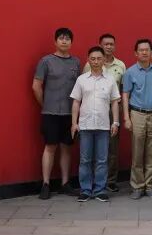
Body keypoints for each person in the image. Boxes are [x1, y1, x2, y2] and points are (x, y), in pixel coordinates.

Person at [32, 27, 81, 199]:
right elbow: (36, 86)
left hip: (69, 114)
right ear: (55, 41)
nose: (64, 41)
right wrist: (45, 104)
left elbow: (79, 87)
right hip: (50, 113)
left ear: (71, 42)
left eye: (67, 38)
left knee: (67, 148)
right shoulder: (46, 61)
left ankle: (65, 183)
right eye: (61, 38)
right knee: (50, 147)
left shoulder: (76, 62)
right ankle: (45, 184)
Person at [70, 46, 121, 202]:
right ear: (88, 60)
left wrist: (115, 122)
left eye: (99, 58)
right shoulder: (81, 80)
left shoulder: (110, 80)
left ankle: (100, 190)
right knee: (85, 160)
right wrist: (74, 123)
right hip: (85, 125)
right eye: (93, 59)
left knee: (102, 160)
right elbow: (76, 102)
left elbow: (115, 102)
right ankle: (85, 190)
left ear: (103, 60)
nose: (96, 61)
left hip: (103, 126)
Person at [122, 39, 152, 199]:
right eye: (141, 50)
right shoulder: (130, 72)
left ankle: (150, 185)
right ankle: (137, 186)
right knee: (138, 151)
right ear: (136, 53)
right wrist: (126, 117)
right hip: (137, 114)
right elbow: (125, 95)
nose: (145, 52)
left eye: (147, 50)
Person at [83, 33, 127, 192]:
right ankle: (93, 181)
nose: (109, 46)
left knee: (112, 147)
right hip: (94, 109)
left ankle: (110, 180)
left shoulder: (120, 65)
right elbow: (84, 86)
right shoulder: (89, 64)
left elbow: (123, 89)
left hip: (113, 108)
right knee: (93, 147)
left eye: (111, 44)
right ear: (100, 45)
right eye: (105, 44)